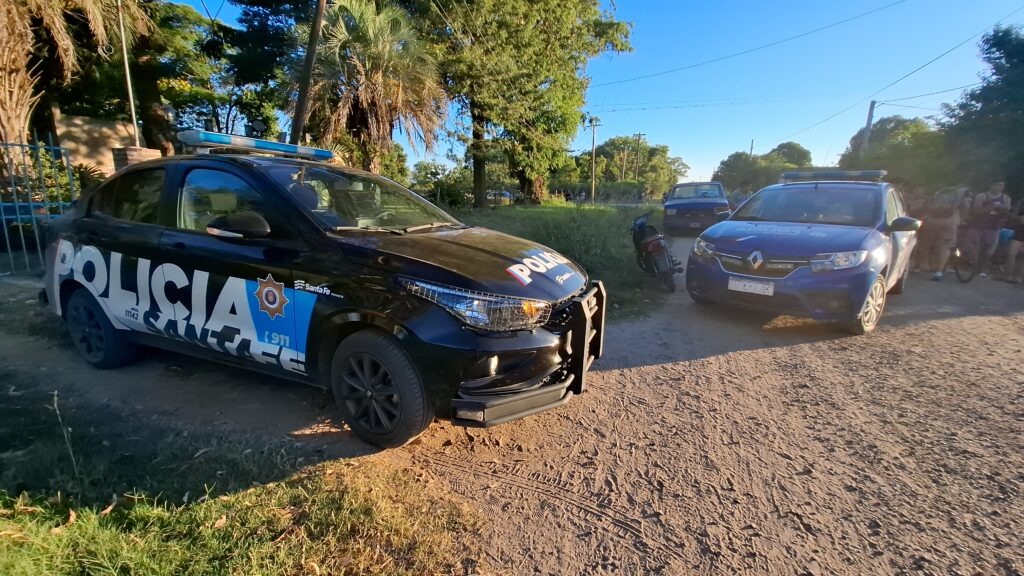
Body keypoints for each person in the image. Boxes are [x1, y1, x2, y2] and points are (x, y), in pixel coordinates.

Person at [912, 186, 967, 280]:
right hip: (951, 221)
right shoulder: (960, 195)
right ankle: (939, 272)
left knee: (925, 244)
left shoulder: (938, 193)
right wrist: (962, 219)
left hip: (933, 220)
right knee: (945, 246)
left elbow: (927, 207)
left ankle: (917, 266)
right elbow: (966, 206)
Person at [964, 180, 1011, 277]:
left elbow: (1007, 212)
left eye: (1000, 185)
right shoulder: (982, 196)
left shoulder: (1006, 198)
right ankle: (972, 264)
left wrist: (998, 210)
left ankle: (981, 268)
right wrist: (992, 207)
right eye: (996, 185)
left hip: (993, 226)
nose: (998, 187)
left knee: (988, 248)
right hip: (977, 225)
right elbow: (975, 210)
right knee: (974, 245)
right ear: (990, 185)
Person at [1005, 198, 1024, 284]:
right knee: (1011, 254)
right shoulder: (1021, 204)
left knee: (1022, 257)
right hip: (1019, 234)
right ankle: (1009, 275)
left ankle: (1018, 276)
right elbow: (1016, 218)